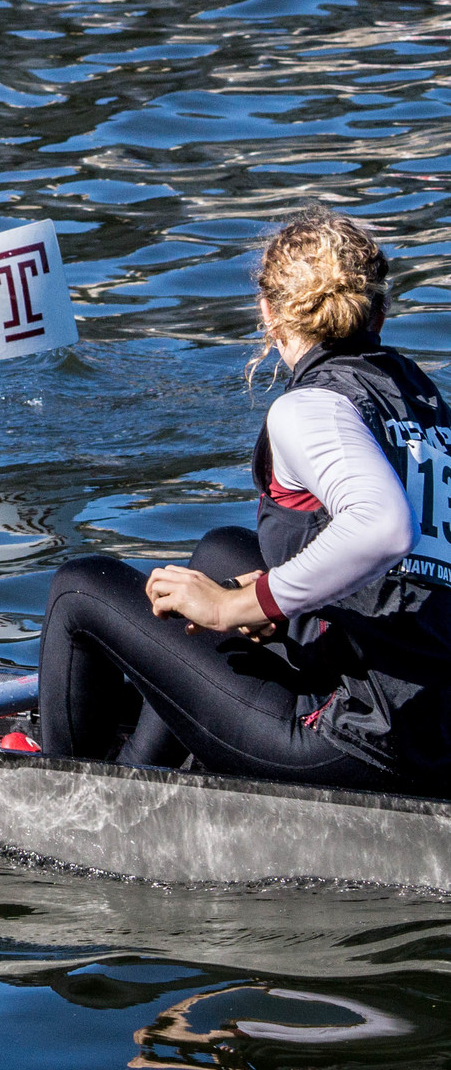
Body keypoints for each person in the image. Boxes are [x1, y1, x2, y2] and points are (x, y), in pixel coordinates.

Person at [38, 207, 451, 789]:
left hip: (362, 743)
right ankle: (145, 770)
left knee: (78, 589)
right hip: (437, 722)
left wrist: (241, 606)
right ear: (380, 311)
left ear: (268, 314)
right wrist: (265, 601)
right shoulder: (422, 399)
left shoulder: (312, 409)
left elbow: (382, 529)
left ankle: (64, 798)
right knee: (222, 551)